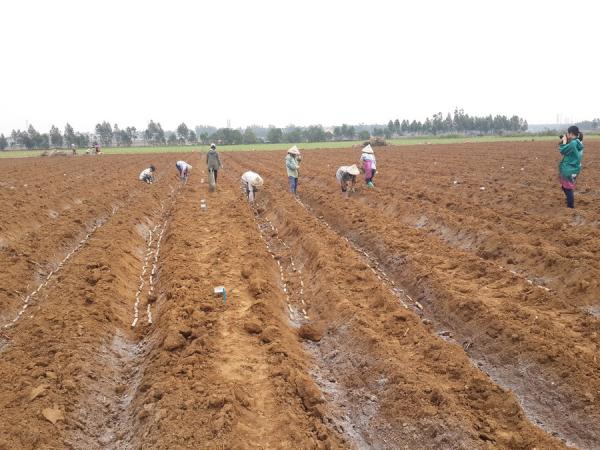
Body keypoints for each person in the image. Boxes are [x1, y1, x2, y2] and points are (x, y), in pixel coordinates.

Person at [558, 126, 584, 208]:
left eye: (568, 133)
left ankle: (570, 206)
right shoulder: (578, 142)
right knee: (565, 186)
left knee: (568, 188)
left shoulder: (573, 143)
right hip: (574, 168)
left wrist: (564, 142)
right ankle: (569, 200)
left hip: (569, 169)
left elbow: (563, 151)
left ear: (571, 133)